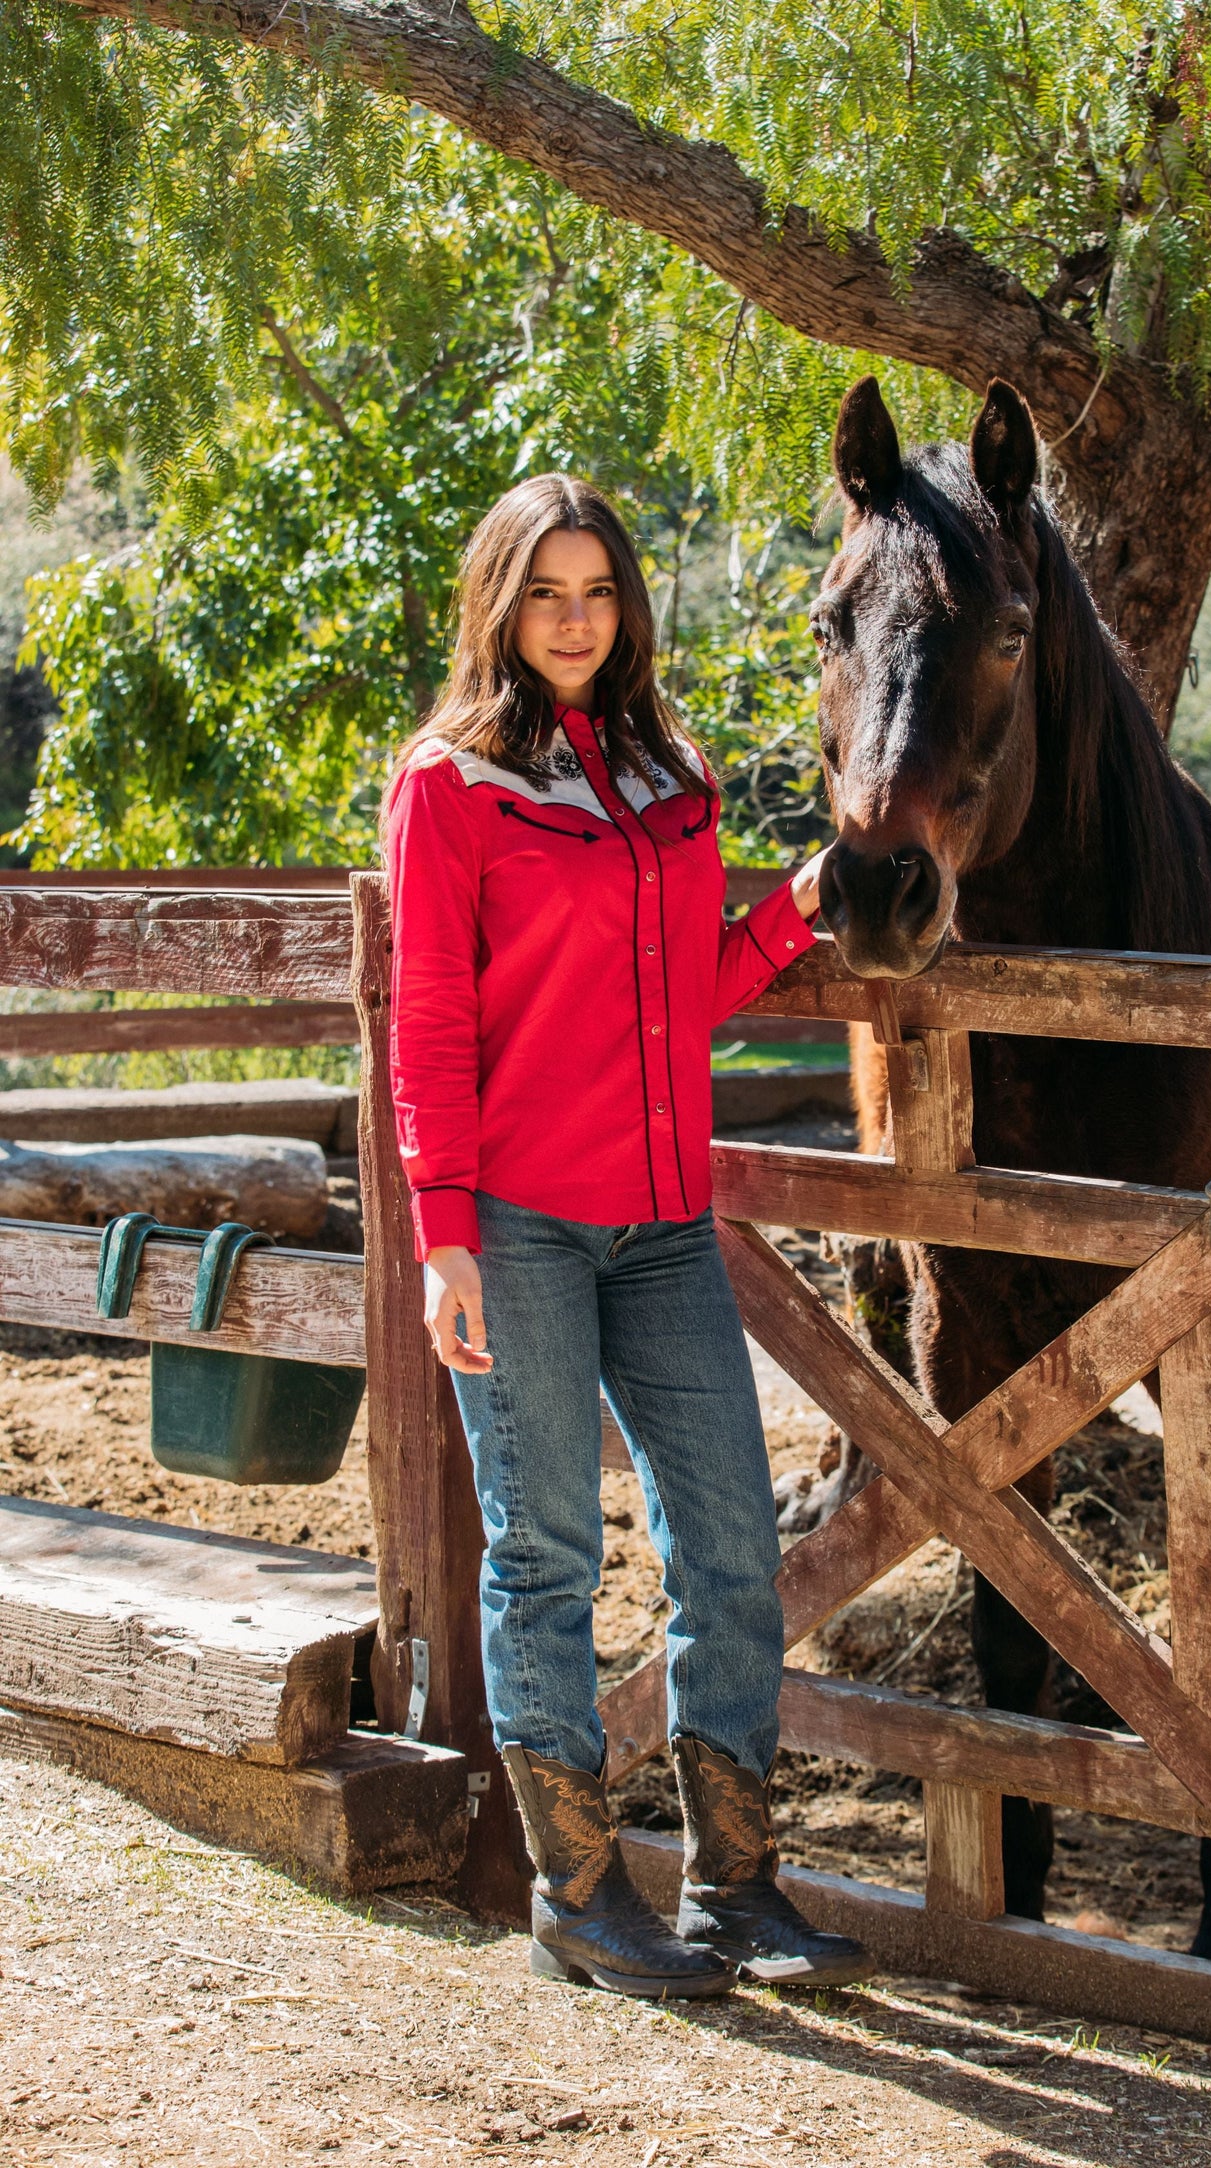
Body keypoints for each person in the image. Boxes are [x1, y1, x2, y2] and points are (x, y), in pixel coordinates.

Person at [384, 473, 873, 2001]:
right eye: (545, 593)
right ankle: (582, 1897)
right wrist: (443, 1237)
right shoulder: (449, 785)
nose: (574, 619)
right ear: (500, 604)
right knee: (543, 1554)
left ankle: (736, 1888)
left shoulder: (673, 771)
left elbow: (681, 989)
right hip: (517, 1226)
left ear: (627, 606)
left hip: (665, 1226)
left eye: (597, 591)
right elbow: (431, 1016)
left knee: (729, 1546)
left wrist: (789, 913)